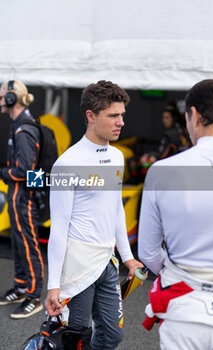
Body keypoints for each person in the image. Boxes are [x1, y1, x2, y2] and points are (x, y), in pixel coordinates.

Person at [45, 80, 144, 350]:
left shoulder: (116, 157)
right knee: (73, 335)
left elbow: (115, 210)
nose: (121, 121)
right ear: (91, 116)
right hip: (76, 262)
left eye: (122, 114)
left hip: (106, 261)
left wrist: (128, 258)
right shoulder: (67, 164)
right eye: (113, 115)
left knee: (112, 336)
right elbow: (59, 228)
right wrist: (53, 286)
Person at [138, 79, 213, 349]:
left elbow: (148, 252)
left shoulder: (163, 171)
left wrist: (178, 272)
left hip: (183, 308)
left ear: (194, 115)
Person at [0, 80, 44, 318]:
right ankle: (20, 286)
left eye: (1, 97)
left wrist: (3, 173)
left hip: (22, 194)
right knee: (18, 242)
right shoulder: (19, 124)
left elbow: (25, 171)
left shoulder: (23, 129)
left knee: (28, 243)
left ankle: (35, 296)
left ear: (10, 99)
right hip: (19, 193)